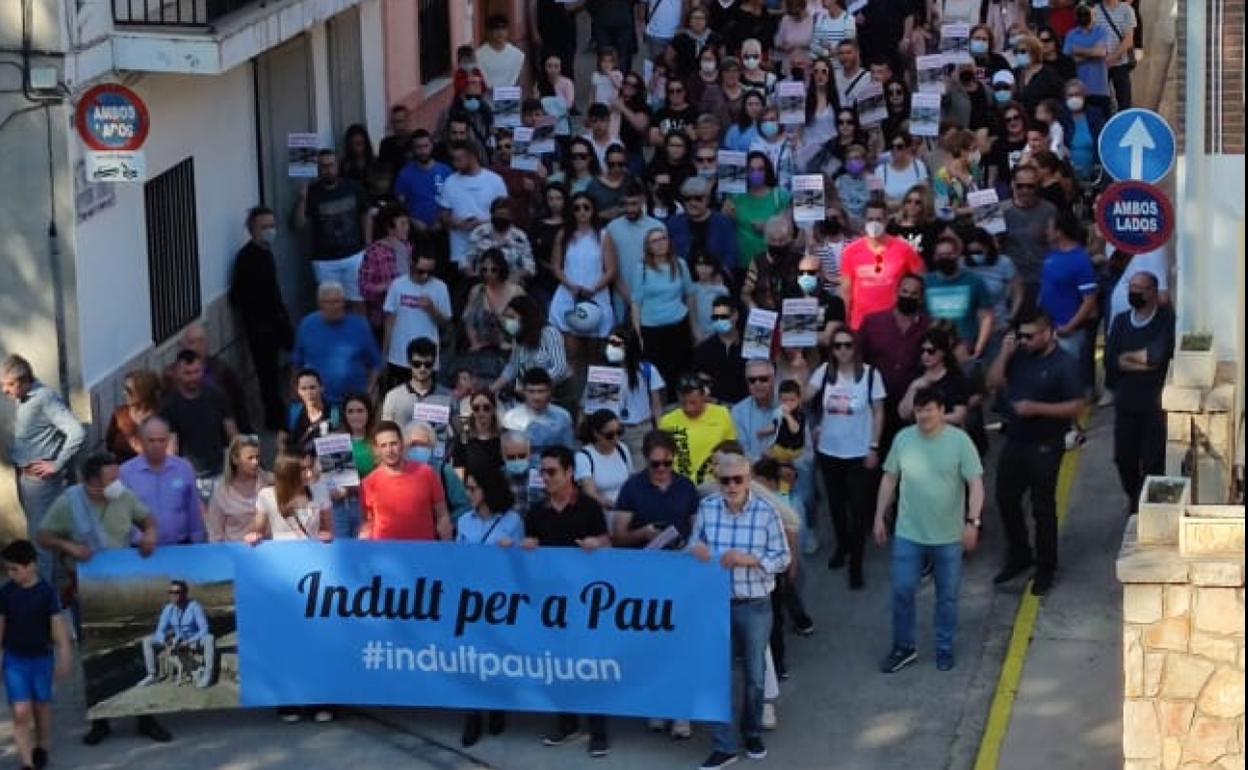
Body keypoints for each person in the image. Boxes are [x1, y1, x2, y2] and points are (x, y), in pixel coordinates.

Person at [35, 452, 169, 746]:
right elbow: (43, 536)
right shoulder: (69, 503)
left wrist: (150, 534)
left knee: (137, 650)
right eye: (111, 479)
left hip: (124, 584)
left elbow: (147, 518)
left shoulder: (123, 497)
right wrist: (67, 545)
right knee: (96, 656)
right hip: (87, 589)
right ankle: (101, 720)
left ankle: (146, 716)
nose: (117, 483)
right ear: (92, 482)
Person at [689, 453, 791, 770]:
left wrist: (750, 559)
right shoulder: (706, 509)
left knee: (755, 676)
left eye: (738, 479)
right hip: (716, 605)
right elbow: (693, 545)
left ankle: (751, 732)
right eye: (725, 480)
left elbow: (783, 557)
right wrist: (697, 549)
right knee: (717, 675)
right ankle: (724, 746)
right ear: (717, 481)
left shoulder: (766, 513)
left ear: (749, 480)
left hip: (756, 604)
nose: (731, 485)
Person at [873, 387, 984, 674]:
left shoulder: (960, 442)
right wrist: (879, 517)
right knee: (902, 590)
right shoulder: (903, 439)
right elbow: (889, 479)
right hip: (909, 532)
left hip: (949, 536)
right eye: (919, 409)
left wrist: (973, 522)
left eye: (929, 408)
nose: (923, 415)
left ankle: (944, 647)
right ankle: (904, 647)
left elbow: (976, 484)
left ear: (941, 410)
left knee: (947, 596)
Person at [523, 446, 612, 758]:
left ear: (569, 472)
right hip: (550, 601)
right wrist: (527, 547)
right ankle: (567, 722)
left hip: (585, 599)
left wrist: (596, 543)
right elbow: (529, 557)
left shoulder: (588, 508)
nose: (546, 478)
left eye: (552, 472)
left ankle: (598, 730)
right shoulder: (536, 511)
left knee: (589, 664)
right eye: (542, 472)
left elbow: (608, 543)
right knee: (556, 663)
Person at [987, 310, 1084, 596]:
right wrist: (1004, 354)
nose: (1024, 341)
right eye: (1020, 336)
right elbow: (994, 382)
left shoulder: (1064, 364)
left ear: (1047, 333)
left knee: (1042, 508)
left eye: (1030, 336)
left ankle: (1046, 567)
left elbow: (1076, 406)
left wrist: (1036, 408)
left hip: (1046, 442)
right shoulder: (1018, 356)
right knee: (1006, 499)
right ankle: (1019, 555)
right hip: (1015, 438)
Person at [808, 328, 885, 587]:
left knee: (859, 508)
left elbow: (878, 413)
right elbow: (804, 396)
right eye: (837, 346)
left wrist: (873, 446)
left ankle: (856, 563)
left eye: (847, 345)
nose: (842, 350)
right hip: (830, 451)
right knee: (836, 506)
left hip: (858, 452)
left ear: (856, 347)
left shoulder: (871, 375)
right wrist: (796, 363)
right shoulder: (824, 373)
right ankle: (842, 547)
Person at [3, 355, 87, 582]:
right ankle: (57, 592)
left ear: (22, 381)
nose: (5, 391)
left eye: (8, 385)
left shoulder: (45, 399)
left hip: (41, 484)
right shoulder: (24, 400)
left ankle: (47, 603)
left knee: (41, 541)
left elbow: (76, 431)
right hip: (26, 480)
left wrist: (56, 464)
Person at [457, 462, 523, 748]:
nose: (469, 493)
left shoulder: (512, 521)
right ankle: (472, 715)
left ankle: (497, 706)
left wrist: (515, 550)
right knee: (471, 657)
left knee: (497, 654)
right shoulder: (464, 522)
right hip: (472, 598)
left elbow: (524, 563)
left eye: (473, 488)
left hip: (501, 599)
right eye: (467, 488)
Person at [1104, 271, 1175, 513]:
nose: (1134, 292)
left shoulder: (1165, 320)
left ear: (1153, 293)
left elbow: (1156, 357)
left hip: (1154, 404)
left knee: (1154, 459)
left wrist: (1130, 358)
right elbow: (1112, 360)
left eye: (1140, 288)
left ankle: (1149, 506)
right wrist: (1140, 361)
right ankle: (1133, 498)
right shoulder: (1122, 321)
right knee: (1123, 459)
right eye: (1131, 287)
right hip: (1126, 403)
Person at [0, 539, 73, 770]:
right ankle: (26, 762)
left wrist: (64, 653)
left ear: (31, 565)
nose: (11, 574)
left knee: (42, 706)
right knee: (21, 711)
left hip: (42, 658)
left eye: (15, 569)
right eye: (7, 569)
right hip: (15, 660)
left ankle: (43, 745)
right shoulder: (6, 593)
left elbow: (57, 625)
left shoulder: (47, 593)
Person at [227, 206, 293, 432]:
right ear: (252, 229)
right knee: (268, 376)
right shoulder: (247, 258)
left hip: (276, 321)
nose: (270, 231)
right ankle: (275, 420)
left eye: (272, 226)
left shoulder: (266, 253)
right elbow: (238, 296)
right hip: (261, 327)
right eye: (264, 227)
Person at [859, 275, 930, 456]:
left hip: (911, 406)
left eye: (914, 293)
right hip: (876, 405)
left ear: (921, 298)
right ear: (897, 292)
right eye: (904, 291)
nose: (908, 296)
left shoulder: (929, 326)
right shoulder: (873, 322)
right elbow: (859, 359)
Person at [360, 421, 454, 542]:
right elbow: (368, 523)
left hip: (423, 552)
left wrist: (447, 547)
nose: (389, 450)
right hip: (385, 553)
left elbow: (442, 515)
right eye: (383, 445)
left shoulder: (427, 474)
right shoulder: (368, 484)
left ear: (402, 444)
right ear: (376, 450)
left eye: (393, 443)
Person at [296, 150, 369, 303]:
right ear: (318, 169)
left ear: (337, 166)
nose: (328, 170)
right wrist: (302, 199)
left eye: (331, 165)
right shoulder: (312, 192)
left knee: (359, 302)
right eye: (323, 166)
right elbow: (299, 224)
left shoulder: (353, 187)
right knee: (330, 305)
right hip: (324, 261)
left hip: (354, 255)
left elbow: (365, 214)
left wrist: (368, 245)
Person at [292, 282, 383, 404]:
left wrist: (369, 392)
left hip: (353, 403)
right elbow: (297, 364)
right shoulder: (307, 325)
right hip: (318, 402)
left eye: (338, 301)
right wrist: (296, 393)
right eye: (329, 302)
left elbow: (376, 364)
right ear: (320, 304)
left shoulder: (360, 326)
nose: (334, 306)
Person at [1039, 210, 1099, 393]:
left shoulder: (1080, 260)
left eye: (1049, 228)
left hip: (1069, 333)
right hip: (1049, 328)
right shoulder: (1051, 256)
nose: (1046, 231)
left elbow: (1089, 301)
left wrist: (1070, 326)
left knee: (1070, 380)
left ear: (1059, 231)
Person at [840, 201, 925, 330]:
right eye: (870, 219)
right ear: (864, 221)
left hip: (894, 324)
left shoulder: (904, 249)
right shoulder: (850, 252)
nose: (874, 223)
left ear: (886, 221)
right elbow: (846, 292)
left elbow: (920, 280)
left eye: (879, 219)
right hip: (860, 325)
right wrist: (844, 324)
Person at [120, 417, 204, 545]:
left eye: (161, 440)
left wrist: (198, 542)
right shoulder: (125, 473)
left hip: (180, 547)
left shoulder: (184, 468)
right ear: (141, 441)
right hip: (141, 550)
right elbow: (120, 514)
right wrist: (139, 537)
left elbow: (193, 509)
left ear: (168, 440)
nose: (157, 445)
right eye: (151, 440)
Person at [630, 227, 696, 390]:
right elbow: (636, 303)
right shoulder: (642, 269)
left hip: (678, 326)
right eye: (655, 241)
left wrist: (694, 327)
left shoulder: (680, 264)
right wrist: (637, 335)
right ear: (648, 246)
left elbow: (690, 295)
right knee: (657, 377)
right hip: (652, 330)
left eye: (663, 239)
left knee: (681, 373)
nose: (660, 244)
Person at [160, 349, 237, 486]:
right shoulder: (170, 406)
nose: (193, 377)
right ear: (177, 373)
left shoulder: (216, 395)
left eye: (197, 372)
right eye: (188, 373)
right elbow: (172, 447)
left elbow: (231, 432)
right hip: (191, 477)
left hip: (221, 471)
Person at [614, 430, 700, 545]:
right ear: (645, 458)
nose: (661, 468)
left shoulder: (686, 486)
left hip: (679, 555)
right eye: (655, 464)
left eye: (667, 463)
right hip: (643, 556)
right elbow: (618, 537)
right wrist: (642, 533)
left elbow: (698, 530)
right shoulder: (631, 487)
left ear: (674, 457)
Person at [441, 141, 509, 275]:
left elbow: (506, 214)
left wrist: (482, 223)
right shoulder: (450, 182)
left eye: (459, 159)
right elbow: (443, 214)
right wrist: (457, 223)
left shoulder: (495, 181)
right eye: (453, 160)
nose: (455, 164)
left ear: (472, 156)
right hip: (460, 250)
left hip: (490, 248)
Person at [925, 234, 995, 360]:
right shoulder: (926, 282)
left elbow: (986, 317)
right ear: (935, 257)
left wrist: (978, 348)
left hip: (965, 347)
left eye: (949, 254)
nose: (945, 258)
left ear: (958, 255)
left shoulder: (974, 281)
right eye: (941, 255)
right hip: (934, 348)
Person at [493, 295, 574, 404]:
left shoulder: (549, 333)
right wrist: (492, 389)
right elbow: (512, 367)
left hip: (559, 394)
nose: (508, 322)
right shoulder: (519, 339)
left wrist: (533, 385)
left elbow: (560, 368)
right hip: (532, 396)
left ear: (525, 317)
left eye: (512, 317)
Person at [660, 373, 740, 483]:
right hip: (680, 483)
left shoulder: (722, 414)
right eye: (684, 403)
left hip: (714, 481)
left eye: (693, 402)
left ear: (704, 396)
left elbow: (732, 449)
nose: (688, 407)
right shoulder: (667, 421)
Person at [138, 580, 216, 689]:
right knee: (147, 640)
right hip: (176, 642)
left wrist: (189, 641)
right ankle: (152, 675)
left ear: (185, 593)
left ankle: (208, 676)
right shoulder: (168, 609)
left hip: (192, 641)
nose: (174, 595)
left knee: (209, 638)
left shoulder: (194, 607)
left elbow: (204, 629)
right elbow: (160, 630)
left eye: (177, 592)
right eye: (171, 592)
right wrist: (165, 641)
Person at [999, 165, 1058, 304]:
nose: (1025, 190)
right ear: (1013, 185)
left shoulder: (1049, 210)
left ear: (1038, 186)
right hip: (1010, 280)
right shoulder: (1000, 211)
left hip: (1040, 279)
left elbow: (1056, 245)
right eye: (1020, 186)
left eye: (1030, 186)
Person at [380, 337, 453, 446]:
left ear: (434, 364)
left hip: (438, 459)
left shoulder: (448, 397)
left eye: (427, 364)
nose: (422, 369)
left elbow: (458, 433)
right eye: (417, 364)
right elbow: (386, 434)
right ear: (409, 363)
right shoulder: (393, 397)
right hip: (403, 458)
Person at [358, 203, 413, 337]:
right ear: (389, 228)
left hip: (408, 313)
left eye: (407, 224)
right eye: (402, 224)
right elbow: (364, 287)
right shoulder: (374, 253)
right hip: (383, 316)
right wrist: (385, 287)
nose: (407, 228)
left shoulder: (407, 248)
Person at [898, 327, 971, 427]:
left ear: (943, 352)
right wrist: (913, 388)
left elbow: (960, 415)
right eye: (922, 351)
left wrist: (932, 418)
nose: (925, 355)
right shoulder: (915, 374)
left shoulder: (955, 377)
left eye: (931, 351)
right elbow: (903, 414)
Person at [668, 176, 740, 276]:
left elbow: (731, 255)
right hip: (682, 279)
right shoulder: (673, 223)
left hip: (716, 281)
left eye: (698, 198)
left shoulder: (723, 222)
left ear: (707, 199)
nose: (692, 203)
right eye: (687, 199)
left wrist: (720, 276)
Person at [205, 434, 268, 543]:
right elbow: (215, 533)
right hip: (234, 552)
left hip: (266, 549)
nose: (255, 462)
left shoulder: (268, 483)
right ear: (235, 459)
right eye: (250, 458)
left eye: (257, 457)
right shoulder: (222, 491)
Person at [405, 422, 473, 520]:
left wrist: (446, 522)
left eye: (423, 444)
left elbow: (464, 506)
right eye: (413, 444)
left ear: (431, 447)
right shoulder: (399, 472)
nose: (418, 448)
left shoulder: (444, 471)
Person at [502, 368, 577, 457]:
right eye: (531, 391)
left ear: (550, 391)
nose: (536, 397)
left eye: (541, 391)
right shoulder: (511, 417)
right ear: (523, 391)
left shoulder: (563, 417)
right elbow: (506, 454)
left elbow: (568, 452)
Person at [395, 130, 453, 244]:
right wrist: (412, 221)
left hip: (443, 232)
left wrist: (442, 221)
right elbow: (400, 206)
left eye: (426, 146)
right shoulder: (405, 174)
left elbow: (454, 201)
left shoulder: (446, 171)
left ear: (432, 146)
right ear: (413, 149)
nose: (423, 151)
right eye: (418, 147)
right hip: (417, 234)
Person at [693, 296, 750, 405]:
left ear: (735, 315)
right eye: (715, 317)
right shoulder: (704, 350)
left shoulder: (750, 345)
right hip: (717, 408)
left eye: (724, 317)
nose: (719, 321)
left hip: (748, 405)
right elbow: (702, 385)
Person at [575, 410, 634, 508]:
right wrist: (616, 506)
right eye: (609, 435)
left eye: (619, 433)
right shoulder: (583, 457)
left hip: (626, 509)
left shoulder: (622, 449)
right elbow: (590, 494)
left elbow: (632, 481)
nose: (616, 439)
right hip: (601, 512)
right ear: (596, 434)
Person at [732, 360, 783, 462]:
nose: (757, 384)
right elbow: (742, 451)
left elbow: (804, 455)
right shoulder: (738, 411)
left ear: (773, 380)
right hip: (753, 472)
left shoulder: (789, 405)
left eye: (763, 379)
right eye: (752, 380)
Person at [278, 368, 340, 452]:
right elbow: (281, 439)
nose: (309, 393)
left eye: (312, 388)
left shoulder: (334, 412)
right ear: (298, 391)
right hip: (296, 459)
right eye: (304, 388)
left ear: (322, 388)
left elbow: (338, 441)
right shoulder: (293, 412)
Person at [105, 369, 161, 461]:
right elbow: (109, 444)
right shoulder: (119, 415)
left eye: (129, 390)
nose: (124, 393)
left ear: (143, 391)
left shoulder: (160, 418)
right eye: (124, 389)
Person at [1094, 0, 1136, 110]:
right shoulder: (1094, 11)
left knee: (1124, 102)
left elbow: (1129, 39)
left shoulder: (1127, 10)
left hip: (1121, 64)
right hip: (1101, 65)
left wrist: (1112, 57)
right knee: (1101, 102)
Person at [452, 389, 504, 473]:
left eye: (486, 408)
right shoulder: (463, 438)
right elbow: (458, 468)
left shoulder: (505, 436)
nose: (481, 412)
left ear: (494, 409)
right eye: (476, 408)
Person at [477, 14, 526, 88]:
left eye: (503, 28)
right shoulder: (478, 55)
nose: (500, 32)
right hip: (487, 97)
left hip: (511, 97)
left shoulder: (518, 55)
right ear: (489, 31)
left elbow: (518, 82)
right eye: (496, 28)